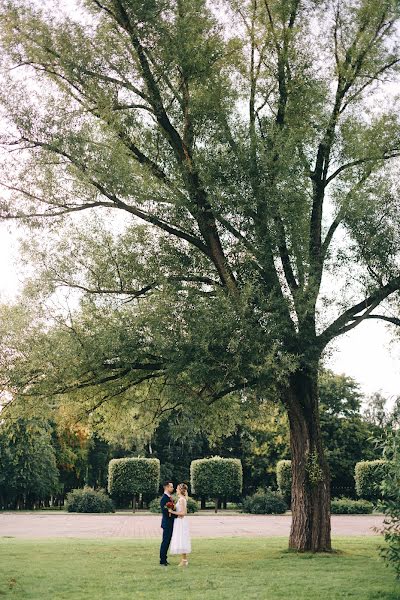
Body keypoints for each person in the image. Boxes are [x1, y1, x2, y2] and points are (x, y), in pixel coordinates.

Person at [168, 483, 192, 567]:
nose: (176, 490)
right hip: (179, 521)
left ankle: (184, 560)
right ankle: (183, 559)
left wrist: (172, 512)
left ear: (180, 490)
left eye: (177, 489)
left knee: (182, 539)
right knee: (181, 539)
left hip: (181, 521)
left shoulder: (182, 499)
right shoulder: (180, 499)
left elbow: (183, 513)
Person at [159, 481, 177, 566]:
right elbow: (165, 512)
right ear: (166, 487)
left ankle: (164, 558)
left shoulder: (169, 497)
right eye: (171, 487)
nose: (172, 488)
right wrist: (174, 514)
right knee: (165, 541)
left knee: (167, 541)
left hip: (170, 522)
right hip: (167, 523)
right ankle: (162, 560)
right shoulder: (164, 498)